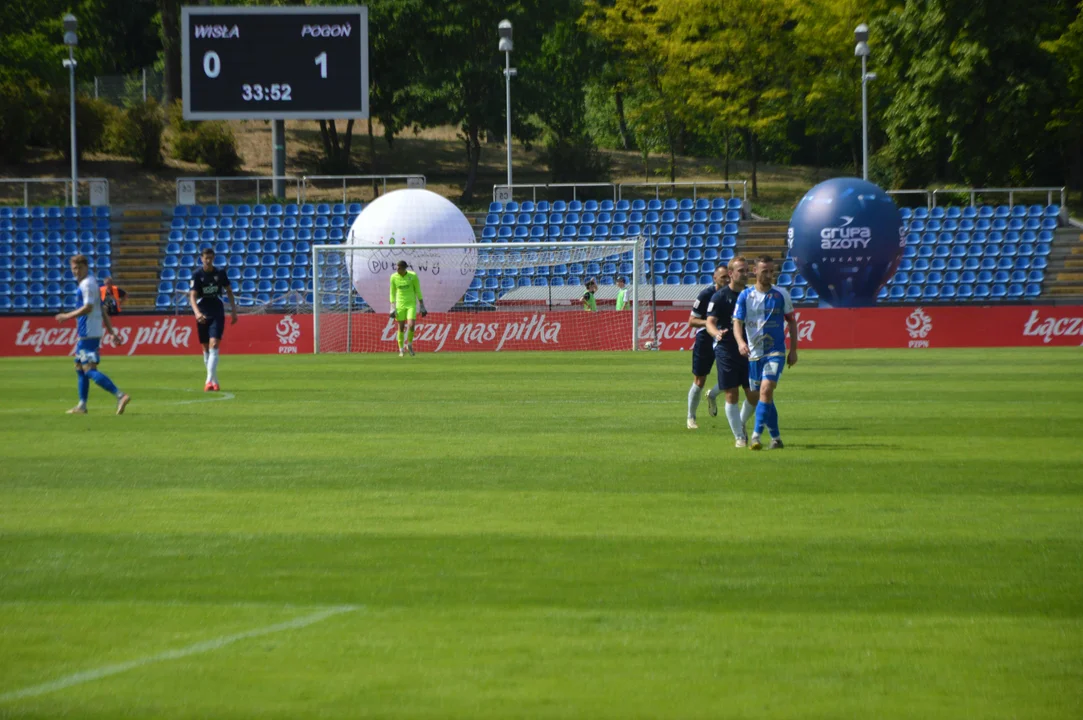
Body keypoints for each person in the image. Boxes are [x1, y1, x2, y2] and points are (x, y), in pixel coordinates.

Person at [733, 255, 798, 450]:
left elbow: (792, 322)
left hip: (775, 351)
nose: (769, 275)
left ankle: (755, 436)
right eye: (765, 271)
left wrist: (793, 350)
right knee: (763, 397)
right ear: (755, 272)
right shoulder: (745, 296)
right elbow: (737, 321)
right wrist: (740, 342)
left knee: (766, 389)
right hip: (753, 354)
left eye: (772, 271)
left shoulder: (781, 294)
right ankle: (776, 438)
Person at [55, 255, 130, 415]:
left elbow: (88, 307)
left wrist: (66, 316)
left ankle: (120, 395)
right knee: (79, 367)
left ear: (86, 267)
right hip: (90, 332)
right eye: (74, 268)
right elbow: (101, 309)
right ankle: (82, 405)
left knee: (89, 369)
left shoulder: (87, 284)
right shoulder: (92, 283)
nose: (76, 271)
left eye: (79, 268)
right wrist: (111, 332)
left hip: (88, 332)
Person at [705, 256, 758, 447]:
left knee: (754, 395)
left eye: (746, 270)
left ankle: (740, 423)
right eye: (741, 271)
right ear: (730, 273)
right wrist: (716, 333)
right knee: (731, 393)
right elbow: (709, 322)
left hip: (749, 349)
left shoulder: (752, 295)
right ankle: (739, 437)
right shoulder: (719, 297)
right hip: (726, 349)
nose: (745, 274)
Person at [685, 264, 729, 429]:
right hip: (706, 337)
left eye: (727, 276)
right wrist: (710, 323)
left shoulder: (735, 294)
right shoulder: (706, 295)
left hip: (726, 337)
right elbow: (691, 321)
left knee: (732, 377)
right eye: (722, 276)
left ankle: (712, 395)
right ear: (714, 278)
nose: (726, 279)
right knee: (699, 379)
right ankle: (691, 417)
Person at [189, 247, 238, 391]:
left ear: (213, 258)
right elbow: (192, 296)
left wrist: (234, 311)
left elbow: (229, 291)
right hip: (202, 310)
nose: (208, 261)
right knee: (205, 349)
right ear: (201, 259)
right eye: (206, 258)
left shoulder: (220, 273)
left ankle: (207, 381)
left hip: (217, 309)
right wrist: (197, 313)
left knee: (214, 344)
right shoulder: (197, 275)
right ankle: (214, 381)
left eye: (211, 258)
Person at [389, 260, 427, 356]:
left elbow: (418, 290)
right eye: (396, 267)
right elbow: (392, 292)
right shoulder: (393, 277)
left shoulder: (412, 276)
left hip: (411, 304)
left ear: (404, 268)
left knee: (411, 325)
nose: (397, 269)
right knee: (401, 327)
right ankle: (401, 349)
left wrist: (421, 304)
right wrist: (392, 307)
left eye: (399, 268)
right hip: (400, 305)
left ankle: (409, 344)